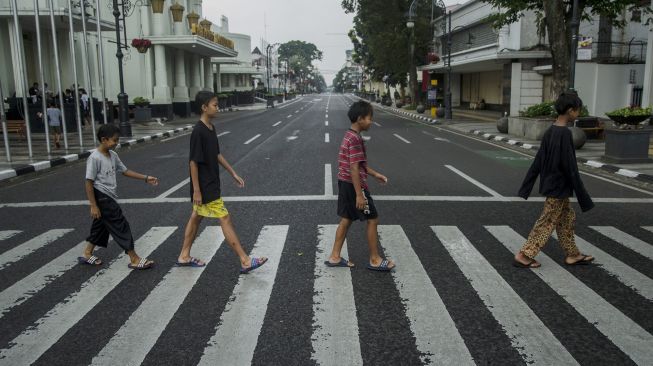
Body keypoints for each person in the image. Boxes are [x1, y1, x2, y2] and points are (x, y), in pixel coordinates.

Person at [177, 91, 267, 273]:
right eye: (215, 105)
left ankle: (184, 255)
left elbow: (216, 154)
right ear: (204, 107)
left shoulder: (210, 128)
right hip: (204, 185)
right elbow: (193, 162)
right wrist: (196, 190)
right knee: (224, 217)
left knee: (196, 217)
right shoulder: (198, 132)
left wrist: (232, 172)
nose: (218, 107)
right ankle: (245, 260)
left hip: (212, 181)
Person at [513, 91, 595, 268]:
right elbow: (570, 167)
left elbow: (538, 160)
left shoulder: (551, 130)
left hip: (553, 184)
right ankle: (525, 254)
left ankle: (572, 254)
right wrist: (583, 195)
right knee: (547, 221)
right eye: (578, 110)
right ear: (571, 110)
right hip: (558, 187)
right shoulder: (564, 134)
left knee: (567, 219)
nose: (578, 114)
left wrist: (527, 186)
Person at [325, 100, 395, 271]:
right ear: (359, 119)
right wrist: (359, 194)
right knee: (372, 219)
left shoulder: (349, 135)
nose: (371, 121)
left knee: (347, 219)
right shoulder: (355, 139)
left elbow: (358, 164)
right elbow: (354, 168)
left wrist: (375, 174)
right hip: (354, 186)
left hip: (345, 183)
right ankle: (375, 259)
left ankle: (335, 256)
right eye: (369, 118)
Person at [80, 124, 159, 269]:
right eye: (115, 140)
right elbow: (88, 182)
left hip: (108, 196)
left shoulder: (113, 155)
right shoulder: (95, 158)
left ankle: (87, 253)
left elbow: (125, 171)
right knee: (120, 225)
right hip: (102, 196)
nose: (117, 143)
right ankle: (134, 258)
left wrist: (146, 178)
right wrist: (93, 205)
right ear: (104, 139)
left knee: (101, 226)